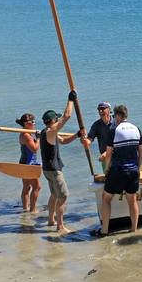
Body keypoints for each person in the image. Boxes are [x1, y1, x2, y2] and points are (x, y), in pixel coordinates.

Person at [98, 104, 142, 236]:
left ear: (118, 116)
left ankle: (104, 231)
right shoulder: (137, 129)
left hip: (118, 170)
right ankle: (133, 230)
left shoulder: (114, 130)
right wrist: (138, 168)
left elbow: (108, 154)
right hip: (133, 170)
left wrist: (107, 170)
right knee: (132, 200)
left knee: (106, 198)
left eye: (114, 116)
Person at [39, 91, 80, 234]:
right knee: (63, 196)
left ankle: (51, 220)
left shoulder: (47, 132)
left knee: (54, 195)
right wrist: (71, 100)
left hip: (47, 169)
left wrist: (77, 135)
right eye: (56, 119)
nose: (58, 120)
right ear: (53, 121)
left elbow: (63, 141)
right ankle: (60, 226)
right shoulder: (51, 131)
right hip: (54, 170)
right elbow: (67, 116)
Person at [80, 102, 116, 173]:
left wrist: (107, 153)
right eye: (99, 109)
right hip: (105, 158)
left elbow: (120, 141)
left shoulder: (116, 122)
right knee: (108, 179)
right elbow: (89, 140)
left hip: (117, 156)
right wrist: (84, 140)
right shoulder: (96, 125)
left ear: (109, 110)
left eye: (103, 109)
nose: (100, 111)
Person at [16, 113, 41, 213]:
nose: (34, 124)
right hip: (28, 164)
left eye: (34, 121)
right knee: (37, 187)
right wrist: (38, 138)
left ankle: (25, 209)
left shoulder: (25, 133)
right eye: (32, 122)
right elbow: (34, 149)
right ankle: (33, 210)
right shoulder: (26, 135)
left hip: (23, 163)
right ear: (26, 124)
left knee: (27, 187)